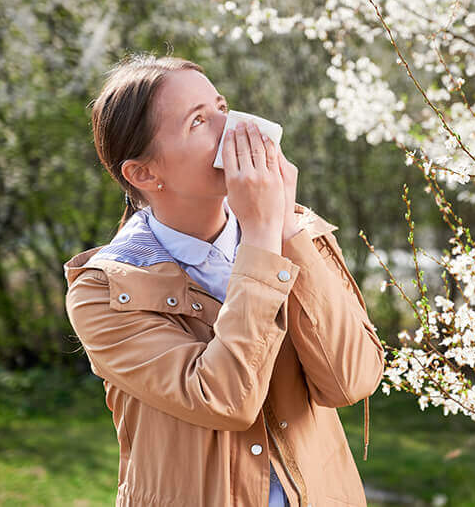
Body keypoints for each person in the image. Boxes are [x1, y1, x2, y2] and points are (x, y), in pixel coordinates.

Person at [63, 52, 385, 506]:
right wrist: (261, 240)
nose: (233, 128)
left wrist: (285, 232)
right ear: (143, 173)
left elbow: (351, 380)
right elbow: (224, 399)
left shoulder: (293, 232)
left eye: (221, 107)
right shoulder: (104, 293)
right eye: (198, 121)